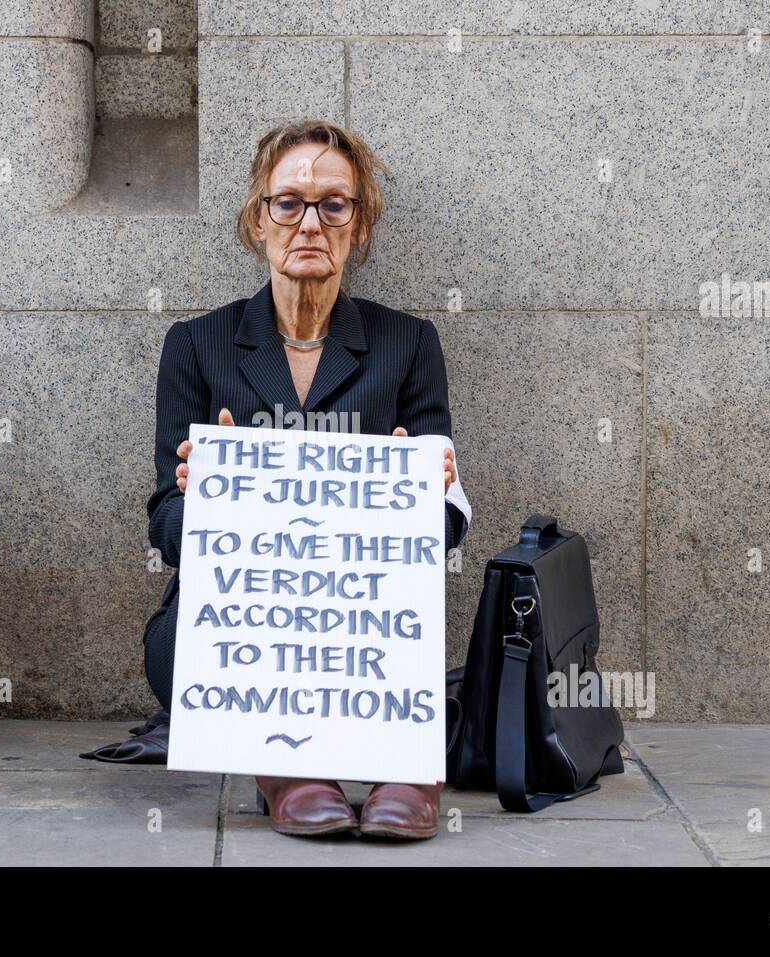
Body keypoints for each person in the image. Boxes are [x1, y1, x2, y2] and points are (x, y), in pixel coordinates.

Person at [139, 120, 471, 839]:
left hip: (359, 615)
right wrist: (199, 496)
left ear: (360, 224)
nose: (309, 222)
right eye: (288, 203)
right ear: (259, 221)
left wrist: (427, 490)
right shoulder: (196, 346)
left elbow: (445, 528)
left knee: (410, 652)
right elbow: (165, 530)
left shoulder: (408, 344)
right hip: (247, 618)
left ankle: (405, 771)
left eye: (334, 204)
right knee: (173, 645)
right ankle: (288, 769)